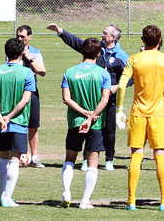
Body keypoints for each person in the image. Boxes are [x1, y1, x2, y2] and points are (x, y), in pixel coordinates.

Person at [47, 22, 129, 172]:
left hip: (108, 100)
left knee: (109, 131)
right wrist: (60, 31)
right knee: (89, 128)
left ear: (112, 38)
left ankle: (109, 159)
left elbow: (131, 76)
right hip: (91, 99)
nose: (102, 34)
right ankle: (86, 159)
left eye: (105, 33)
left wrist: (117, 86)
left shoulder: (121, 56)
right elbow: (76, 42)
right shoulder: (96, 49)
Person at [116, 25, 164, 211]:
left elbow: (120, 86)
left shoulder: (133, 59)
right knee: (160, 155)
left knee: (136, 155)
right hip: (159, 115)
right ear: (159, 41)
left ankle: (131, 201)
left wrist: (119, 109)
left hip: (137, 113)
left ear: (143, 40)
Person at [60, 38, 111, 209]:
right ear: (98, 54)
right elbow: (105, 99)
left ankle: (66, 192)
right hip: (95, 124)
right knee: (93, 162)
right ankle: (84, 201)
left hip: (75, 122)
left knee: (70, 160)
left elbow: (66, 99)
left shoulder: (69, 72)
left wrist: (83, 114)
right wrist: (91, 117)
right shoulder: (103, 74)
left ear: (82, 52)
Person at [0, 38, 36, 207]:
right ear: (22, 53)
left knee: (2, 158)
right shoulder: (27, 73)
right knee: (15, 159)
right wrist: (9, 117)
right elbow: (25, 100)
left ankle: (2, 194)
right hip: (18, 122)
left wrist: (0, 117)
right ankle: (7, 197)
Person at [16, 25, 46, 168]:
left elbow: (42, 71)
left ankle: (34, 157)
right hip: (17, 92)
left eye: (22, 36)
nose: (20, 39)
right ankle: (21, 155)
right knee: (18, 124)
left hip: (32, 92)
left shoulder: (35, 52)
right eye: (18, 36)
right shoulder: (13, 50)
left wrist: (28, 58)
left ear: (29, 37)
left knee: (33, 126)